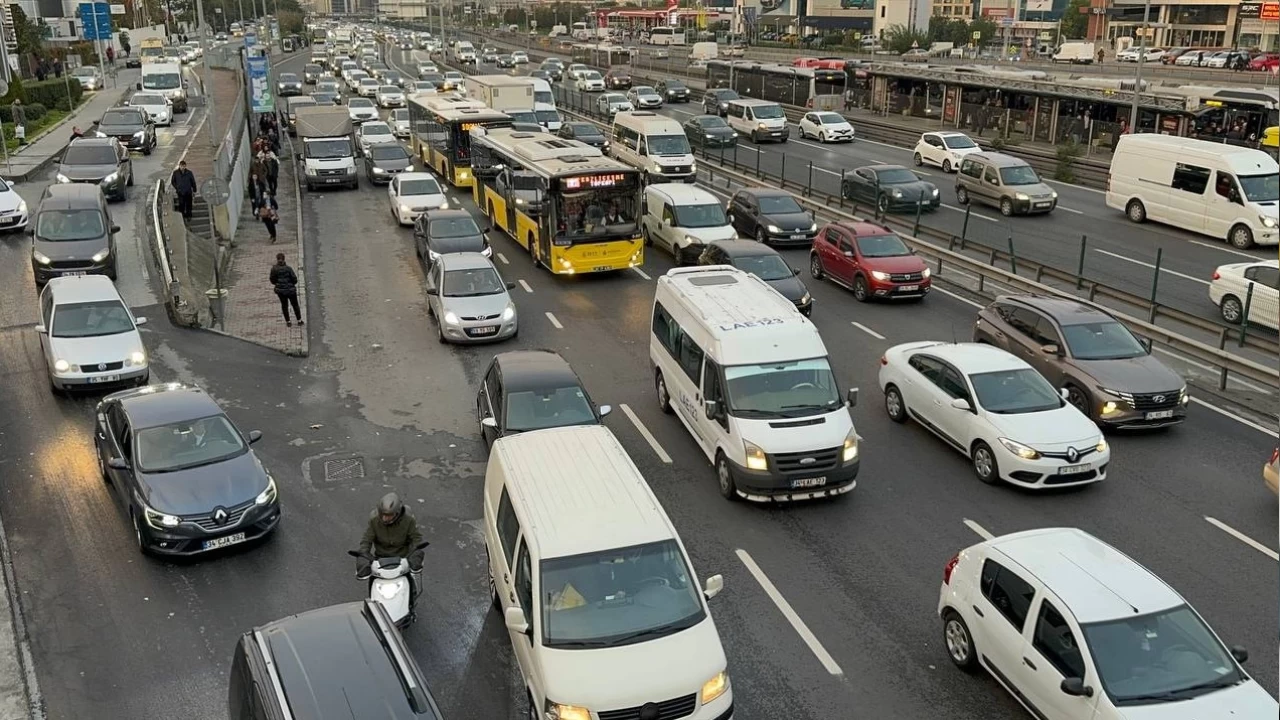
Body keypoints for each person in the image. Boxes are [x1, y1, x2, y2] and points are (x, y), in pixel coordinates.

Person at [356, 493, 425, 604]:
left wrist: (416, 554)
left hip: (402, 558)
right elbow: (366, 539)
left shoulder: (408, 521)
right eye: (382, 514)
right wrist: (363, 554)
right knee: (372, 582)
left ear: (397, 513)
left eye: (389, 515)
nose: (384, 518)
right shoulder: (374, 521)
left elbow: (416, 538)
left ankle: (410, 605)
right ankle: (373, 604)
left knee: (410, 586)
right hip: (381, 559)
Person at [269, 252, 303, 326]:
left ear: (277, 259)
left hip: (281, 291)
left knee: (284, 305)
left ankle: (288, 322)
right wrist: (291, 284)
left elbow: (272, 280)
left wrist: (278, 284)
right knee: (295, 305)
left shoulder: (274, 269)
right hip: (291, 290)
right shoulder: (288, 268)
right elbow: (294, 279)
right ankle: (299, 320)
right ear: (284, 259)